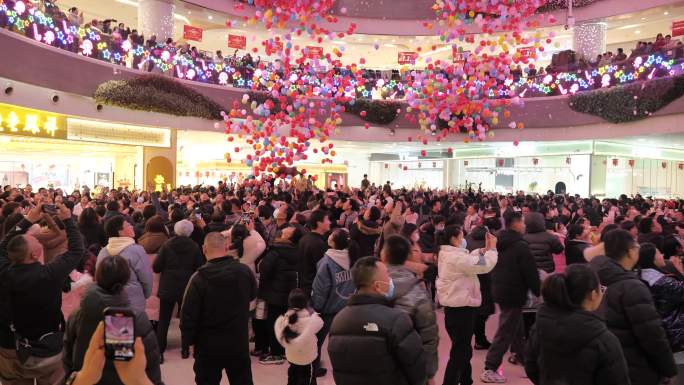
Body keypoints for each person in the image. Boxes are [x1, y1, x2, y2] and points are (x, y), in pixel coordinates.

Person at [0, 201, 84, 385]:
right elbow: (77, 249)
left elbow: (3, 245)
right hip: (46, 347)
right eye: (35, 241)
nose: (38, 239)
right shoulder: (49, 274)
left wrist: (28, 220)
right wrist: (68, 219)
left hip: (9, 343)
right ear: (34, 255)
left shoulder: (4, 271)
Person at [590, 229, 677, 385]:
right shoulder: (631, 287)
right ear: (630, 251)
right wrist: (668, 369)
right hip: (635, 367)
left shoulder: (594, 277)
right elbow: (652, 335)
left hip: (606, 366)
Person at [63, 255, 163, 384]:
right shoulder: (138, 318)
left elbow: (67, 358)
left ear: (97, 276)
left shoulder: (77, 315)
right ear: (126, 279)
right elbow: (151, 364)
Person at [524, 264, 630, 385]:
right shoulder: (604, 340)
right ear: (593, 294)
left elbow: (531, 366)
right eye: (601, 288)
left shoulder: (540, 326)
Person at [327, 256, 426, 385]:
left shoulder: (338, 321)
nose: (391, 280)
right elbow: (416, 369)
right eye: (387, 275)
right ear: (378, 286)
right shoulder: (396, 320)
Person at [180, 232, 257, 385]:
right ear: (227, 247)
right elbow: (253, 295)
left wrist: (188, 342)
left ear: (204, 249)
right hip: (238, 341)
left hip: (207, 345)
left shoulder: (198, 278)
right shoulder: (244, 271)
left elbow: (188, 315)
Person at [481, 212, 540, 384]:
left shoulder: (499, 242)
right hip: (514, 292)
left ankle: (523, 358)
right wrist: (537, 290)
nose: (524, 225)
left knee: (516, 327)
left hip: (500, 288)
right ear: (515, 223)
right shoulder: (520, 245)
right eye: (522, 222)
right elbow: (529, 270)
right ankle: (490, 367)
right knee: (506, 330)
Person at [437, 226, 497, 385]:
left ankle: (466, 380)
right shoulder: (455, 257)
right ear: (454, 239)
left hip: (456, 308)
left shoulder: (450, 254)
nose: (464, 239)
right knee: (460, 351)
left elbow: (471, 259)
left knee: (463, 348)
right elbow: (483, 266)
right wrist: (493, 250)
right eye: (462, 236)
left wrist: (483, 251)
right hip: (461, 309)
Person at [384, 235, 439, 384]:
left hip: (377, 364)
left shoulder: (370, 287)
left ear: (384, 255)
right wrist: (429, 374)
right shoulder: (418, 293)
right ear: (408, 256)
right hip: (409, 363)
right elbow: (429, 337)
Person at [152, 219, 205, 363]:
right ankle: (185, 349)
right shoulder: (194, 246)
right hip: (187, 287)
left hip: (168, 286)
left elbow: (156, 266)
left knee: (164, 320)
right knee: (186, 319)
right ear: (190, 231)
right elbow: (200, 267)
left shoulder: (167, 245)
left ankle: (159, 352)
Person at [310, 228, 359, 377]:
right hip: (347, 308)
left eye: (332, 235)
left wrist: (316, 308)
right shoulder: (353, 258)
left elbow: (321, 288)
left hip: (327, 310)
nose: (329, 236)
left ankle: (315, 369)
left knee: (316, 342)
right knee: (343, 342)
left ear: (335, 241)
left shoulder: (327, 262)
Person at [257, 225, 304, 365]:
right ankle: (284, 351)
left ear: (287, 237)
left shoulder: (277, 251)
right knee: (286, 323)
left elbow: (264, 268)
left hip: (274, 292)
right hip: (289, 291)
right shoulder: (297, 250)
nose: (281, 232)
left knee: (274, 324)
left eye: (284, 232)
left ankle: (276, 354)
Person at [66, 321, 156, 385]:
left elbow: (66, 360)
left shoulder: (76, 316)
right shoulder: (140, 319)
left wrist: (82, 378)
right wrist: (139, 380)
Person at [97, 216, 152, 314]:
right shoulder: (136, 250)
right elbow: (146, 277)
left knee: (114, 328)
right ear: (120, 232)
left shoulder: (103, 251)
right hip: (132, 302)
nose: (131, 226)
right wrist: (145, 295)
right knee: (133, 328)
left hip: (108, 301)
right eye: (127, 225)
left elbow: (98, 278)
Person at [637, 242, 684, 352]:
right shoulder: (662, 283)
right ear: (651, 258)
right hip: (676, 331)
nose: (662, 255)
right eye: (658, 253)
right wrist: (680, 271)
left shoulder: (641, 276)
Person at [275, 289, 324, 385]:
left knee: (293, 374)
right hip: (307, 357)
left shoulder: (286, 319)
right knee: (306, 376)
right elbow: (321, 323)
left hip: (292, 356)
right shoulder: (311, 319)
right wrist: (313, 313)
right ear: (306, 303)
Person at [299, 210, 330, 298]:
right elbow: (321, 270)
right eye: (327, 220)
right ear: (319, 223)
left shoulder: (304, 238)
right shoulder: (318, 243)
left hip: (304, 285)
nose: (329, 222)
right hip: (313, 287)